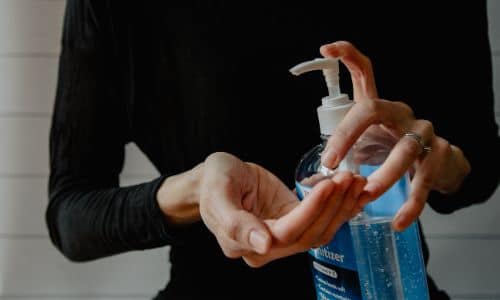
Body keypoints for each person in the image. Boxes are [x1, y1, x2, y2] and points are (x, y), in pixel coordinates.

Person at [46, 1, 499, 299]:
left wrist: (440, 164)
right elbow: (71, 214)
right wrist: (196, 191)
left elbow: (480, 169)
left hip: (392, 287)